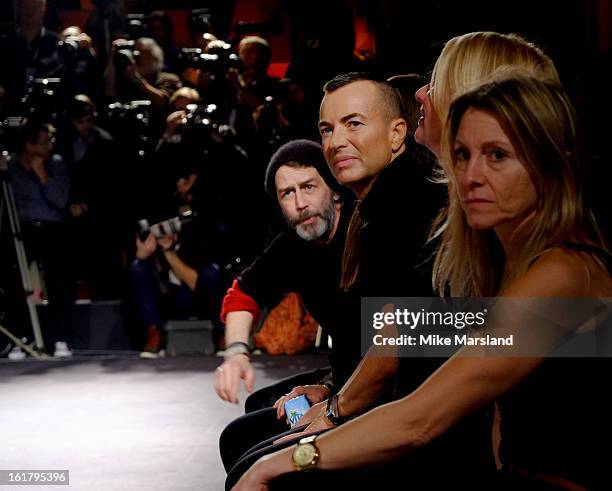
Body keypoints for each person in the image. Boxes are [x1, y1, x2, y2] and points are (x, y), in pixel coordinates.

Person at [232, 32, 591, 490]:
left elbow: (418, 410)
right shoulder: (486, 244)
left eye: (496, 155)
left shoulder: (562, 268)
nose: (419, 93)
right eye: (462, 156)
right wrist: (332, 387)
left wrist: (301, 447)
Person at [214, 139, 357, 470]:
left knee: (241, 443)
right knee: (259, 405)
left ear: (334, 189)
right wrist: (236, 354)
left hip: (373, 383)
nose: (300, 203)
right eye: (287, 194)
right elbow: (243, 294)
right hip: (344, 372)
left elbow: (386, 349)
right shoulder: (295, 243)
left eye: (308, 187)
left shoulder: (361, 232)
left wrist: (329, 392)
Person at [7, 119, 72, 358]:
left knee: (58, 283)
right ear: (29, 145)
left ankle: (60, 339)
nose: (50, 146)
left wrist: (42, 173)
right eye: (45, 142)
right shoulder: (12, 168)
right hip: (22, 230)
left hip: (53, 229)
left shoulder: (56, 164)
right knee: (17, 285)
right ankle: (22, 338)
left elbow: (60, 200)